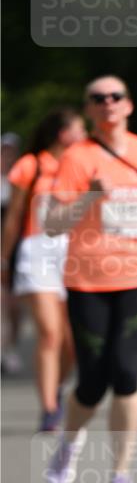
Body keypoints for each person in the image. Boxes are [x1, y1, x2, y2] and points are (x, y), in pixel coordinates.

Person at [43, 74, 137, 483]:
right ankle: (70, 442)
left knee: (125, 373)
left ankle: (121, 473)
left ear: (128, 105)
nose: (107, 103)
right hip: (88, 278)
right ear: (88, 109)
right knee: (92, 381)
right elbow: (52, 225)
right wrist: (88, 196)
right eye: (97, 98)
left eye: (115, 96)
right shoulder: (77, 156)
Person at [1, 109, 86, 430]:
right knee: (49, 333)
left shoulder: (82, 165)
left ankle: (59, 387)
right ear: (62, 133)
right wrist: (4, 258)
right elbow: (14, 216)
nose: (83, 133)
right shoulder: (31, 165)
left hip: (75, 253)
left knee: (71, 341)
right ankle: (49, 406)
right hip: (37, 251)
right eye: (78, 128)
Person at [1, 131, 25, 375]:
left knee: (14, 306)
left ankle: (11, 347)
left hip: (17, 250)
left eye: (10, 152)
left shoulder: (21, 181)